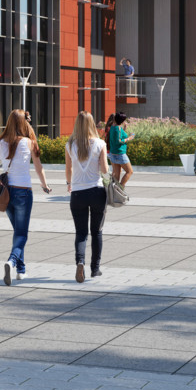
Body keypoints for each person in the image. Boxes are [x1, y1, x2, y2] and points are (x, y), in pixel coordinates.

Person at [0, 109, 52, 284]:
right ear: (25, 123)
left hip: (6, 192)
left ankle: (21, 271)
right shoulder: (30, 142)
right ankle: (11, 261)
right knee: (22, 234)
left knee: (18, 231)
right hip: (23, 191)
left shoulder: (0, 143)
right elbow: (39, 168)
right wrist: (45, 185)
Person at [64, 111, 109, 283]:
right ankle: (95, 269)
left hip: (77, 193)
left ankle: (80, 261)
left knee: (81, 233)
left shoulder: (70, 145)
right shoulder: (100, 144)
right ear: (92, 125)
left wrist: (69, 183)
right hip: (97, 191)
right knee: (96, 231)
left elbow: (68, 170)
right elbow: (104, 170)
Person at [106, 112, 134, 188]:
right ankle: (120, 188)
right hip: (120, 153)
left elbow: (117, 135)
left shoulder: (113, 126)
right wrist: (129, 138)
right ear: (121, 121)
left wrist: (124, 129)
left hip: (113, 153)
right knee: (129, 171)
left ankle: (114, 191)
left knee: (116, 175)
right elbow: (119, 141)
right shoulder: (117, 128)